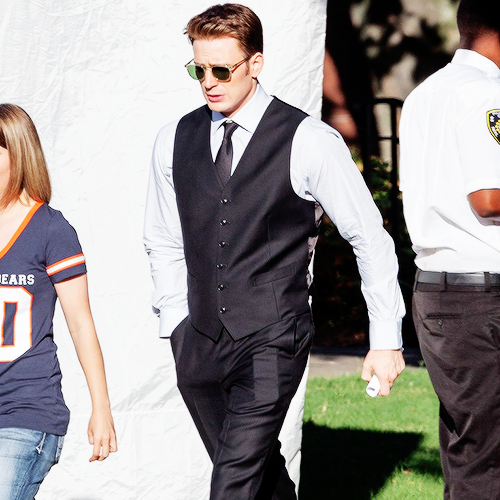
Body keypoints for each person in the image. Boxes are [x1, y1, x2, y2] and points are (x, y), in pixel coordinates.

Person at [144, 4, 405, 499]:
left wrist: (386, 338)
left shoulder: (309, 140)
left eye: (222, 70)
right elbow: (163, 238)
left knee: (232, 484)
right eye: (199, 69)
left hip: (273, 337)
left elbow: (369, 237)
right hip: (198, 341)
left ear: (255, 63)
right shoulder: (172, 140)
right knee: (259, 476)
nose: (209, 82)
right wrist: (177, 323)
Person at [399, 1, 500, 498]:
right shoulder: (486, 92)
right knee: (486, 459)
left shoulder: (425, 93)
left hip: (440, 291)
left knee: (471, 450)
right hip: (484, 295)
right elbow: (488, 197)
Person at [0, 103, 117, 499]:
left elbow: (81, 325)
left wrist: (101, 407)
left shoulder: (51, 229)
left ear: (18, 154)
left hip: (26, 411)